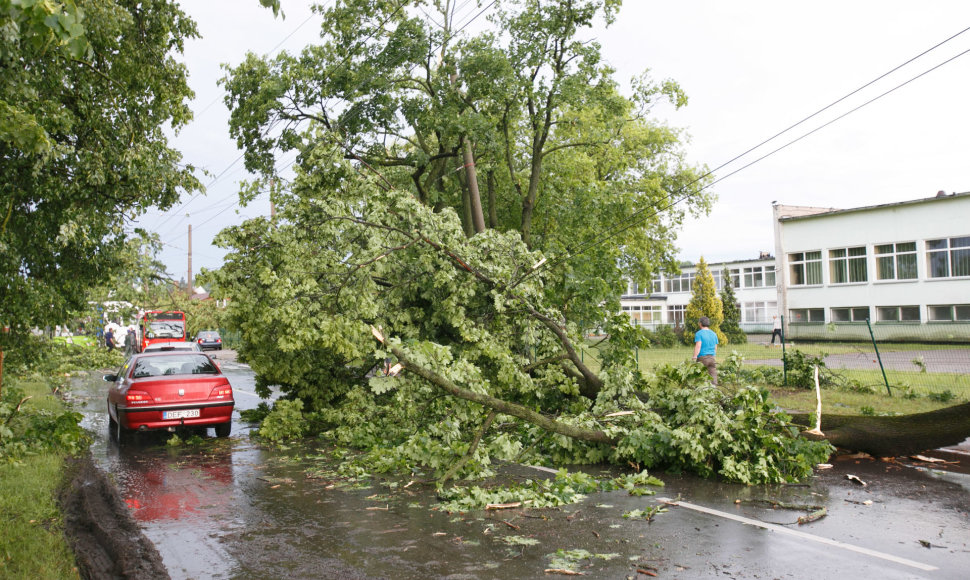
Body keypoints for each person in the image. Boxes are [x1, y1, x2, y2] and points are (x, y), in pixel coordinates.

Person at [693, 316, 718, 385]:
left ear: (700, 324)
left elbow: (698, 346)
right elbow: (715, 347)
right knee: (713, 374)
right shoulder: (714, 334)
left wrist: (695, 356)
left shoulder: (699, 333)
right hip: (712, 357)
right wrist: (713, 355)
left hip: (702, 358)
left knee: (699, 374)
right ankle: (714, 389)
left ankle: (701, 389)